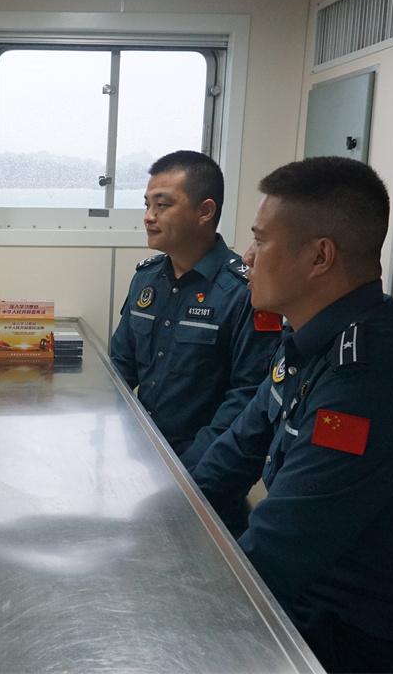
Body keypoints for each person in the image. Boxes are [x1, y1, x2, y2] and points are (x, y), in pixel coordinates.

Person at [190, 157, 393, 673]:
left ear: (320, 256)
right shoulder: (311, 341)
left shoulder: (372, 378)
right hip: (318, 602)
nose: (247, 257)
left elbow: (280, 547)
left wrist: (173, 608)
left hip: (369, 640)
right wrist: (162, 528)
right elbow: (232, 454)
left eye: (260, 240)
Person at [109, 151, 281, 532]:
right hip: (141, 464)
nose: (149, 216)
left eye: (163, 205)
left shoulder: (245, 291)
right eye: (147, 204)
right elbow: (118, 369)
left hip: (206, 478)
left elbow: (247, 398)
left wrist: (182, 475)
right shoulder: (147, 279)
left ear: (205, 211)